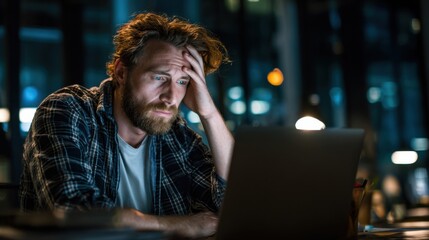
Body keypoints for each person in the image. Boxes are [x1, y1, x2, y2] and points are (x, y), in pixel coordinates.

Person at [18, 12, 234, 238]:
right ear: (121, 73)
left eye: (182, 82)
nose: (170, 96)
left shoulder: (178, 137)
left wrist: (208, 113)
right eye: (159, 77)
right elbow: (74, 211)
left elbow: (230, 206)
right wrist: (178, 225)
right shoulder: (68, 110)